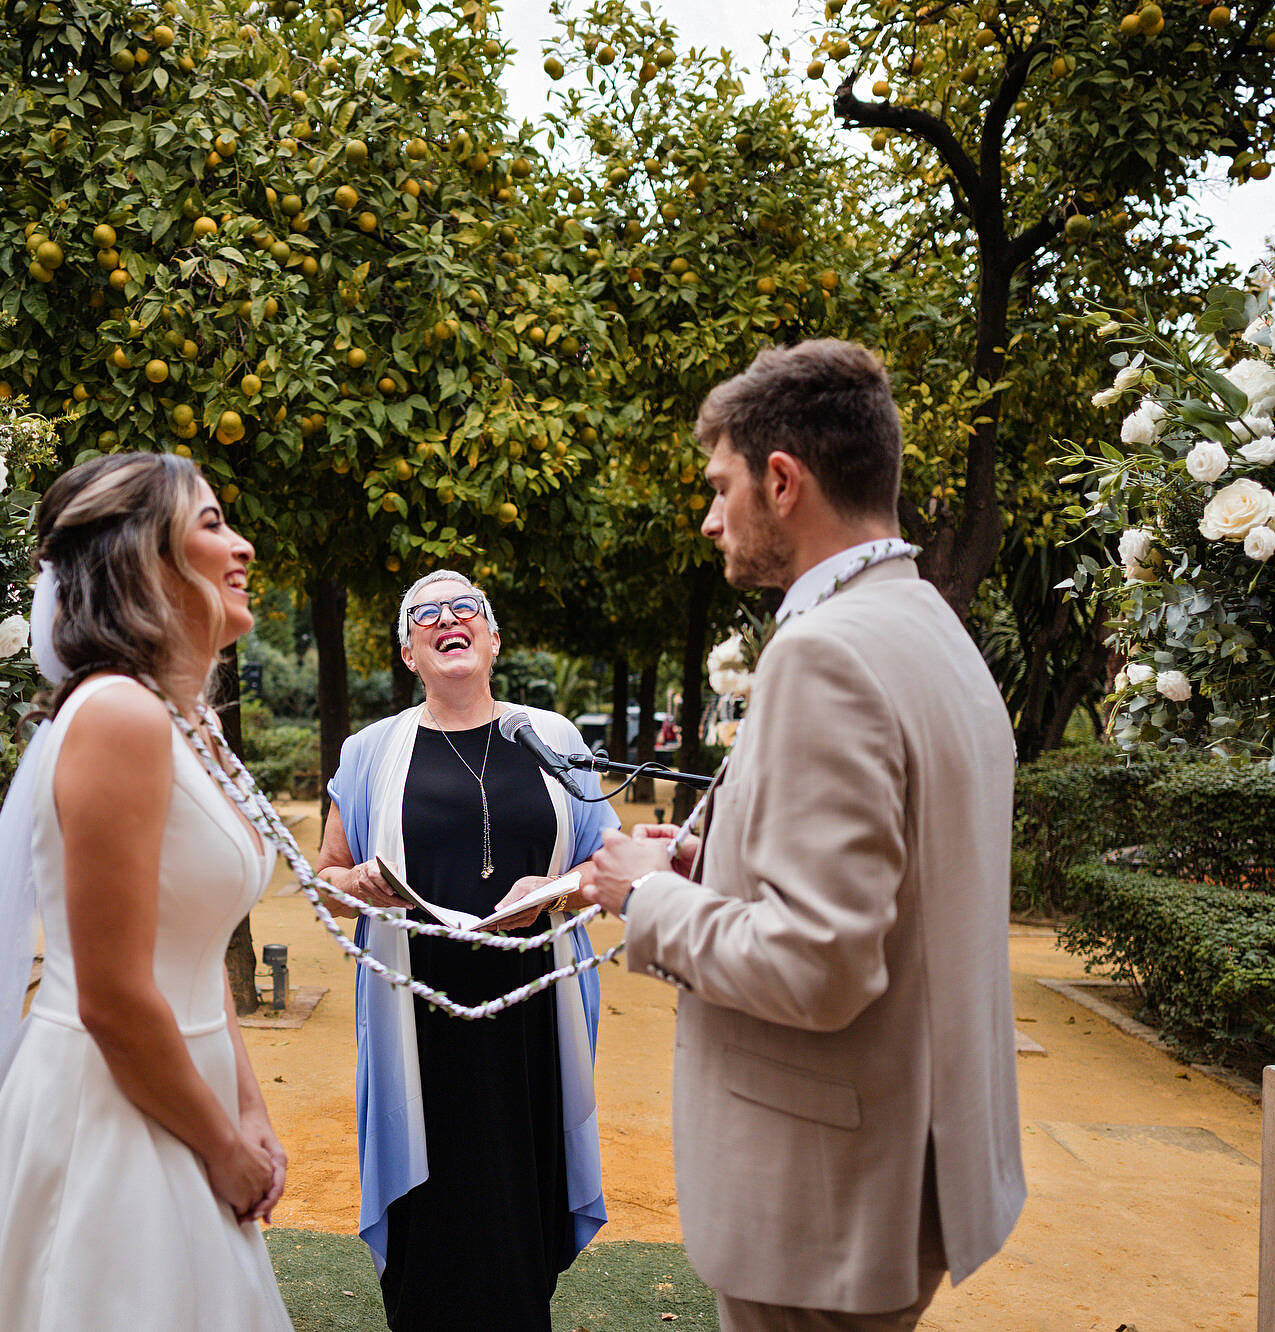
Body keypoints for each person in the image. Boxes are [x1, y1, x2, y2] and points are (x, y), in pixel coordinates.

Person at [580, 340, 1026, 1331]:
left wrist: (644, 897)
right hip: (903, 1164)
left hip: (819, 1197)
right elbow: (900, 878)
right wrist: (711, 864)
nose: (709, 519)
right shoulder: (925, 626)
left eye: (719, 486)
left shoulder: (820, 653)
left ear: (779, 482)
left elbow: (820, 963)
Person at [0, 452, 294, 1331]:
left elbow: (186, 939)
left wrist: (247, 1108)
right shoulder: (119, 717)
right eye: (213, 523)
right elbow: (112, 995)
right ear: (141, 556)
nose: (244, 546)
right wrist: (223, 1149)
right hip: (109, 1112)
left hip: (186, 1092)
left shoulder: (194, 722)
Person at [316, 570, 618, 1331]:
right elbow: (326, 875)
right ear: (410, 652)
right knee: (432, 1208)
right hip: (416, 1015)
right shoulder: (369, 751)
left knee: (522, 1192)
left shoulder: (553, 738)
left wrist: (561, 891)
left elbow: (607, 867)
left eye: (465, 609)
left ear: (492, 637)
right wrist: (354, 880)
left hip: (530, 1008)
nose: (447, 619)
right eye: (426, 614)